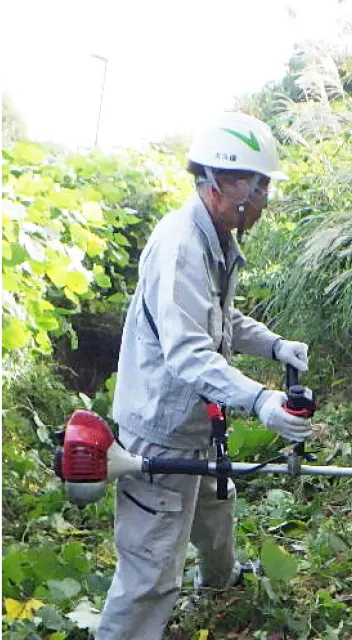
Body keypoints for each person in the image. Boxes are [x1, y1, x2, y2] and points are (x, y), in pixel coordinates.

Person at [96, 112, 311, 640]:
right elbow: (189, 352)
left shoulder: (214, 238)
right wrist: (261, 401)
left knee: (215, 503)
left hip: (193, 422)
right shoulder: (182, 247)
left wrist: (275, 344)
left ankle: (221, 580)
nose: (262, 197)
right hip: (159, 427)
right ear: (221, 182)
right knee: (150, 571)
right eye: (256, 185)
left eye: (265, 185)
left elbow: (220, 320)